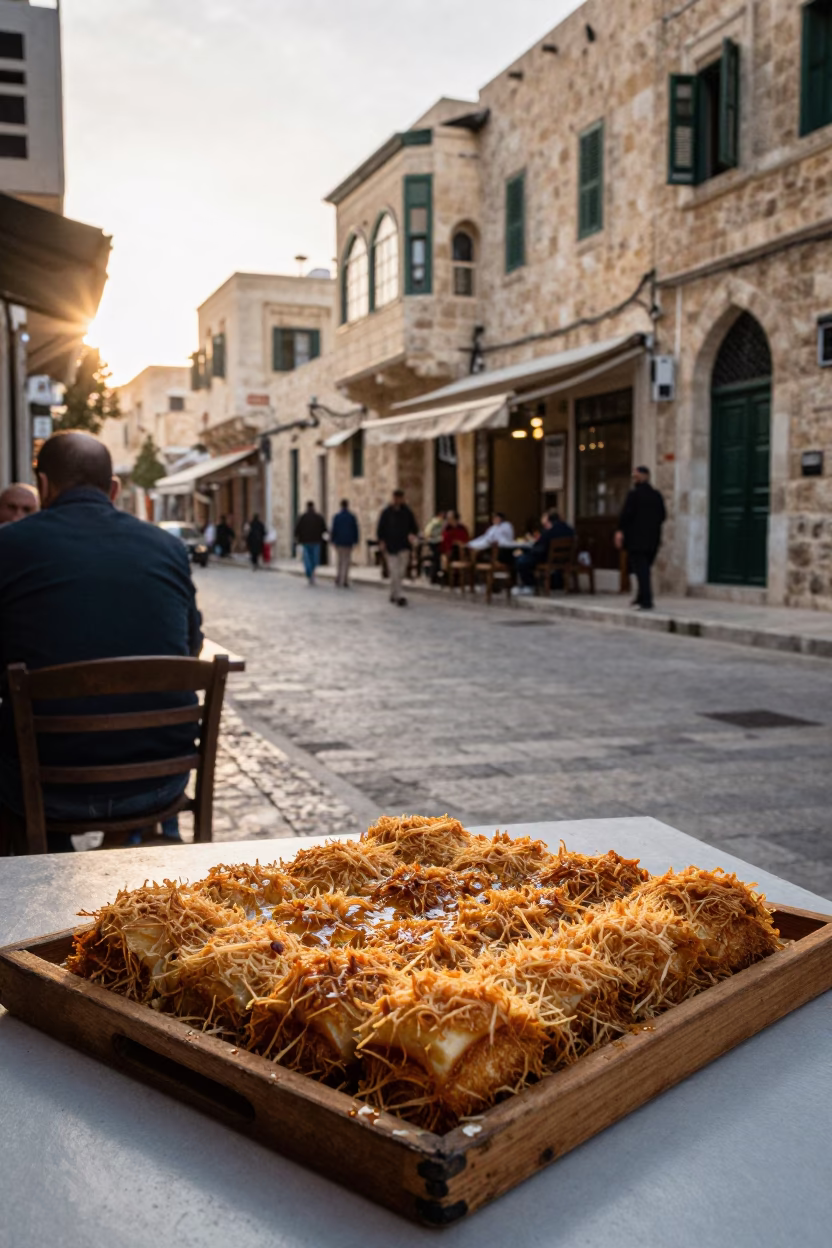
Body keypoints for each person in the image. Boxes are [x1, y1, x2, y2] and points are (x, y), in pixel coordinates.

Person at [0, 430, 203, 852]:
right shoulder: (168, 547)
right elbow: (191, 645)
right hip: (158, 781)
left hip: (44, 789)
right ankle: (113, 849)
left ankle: (42, 876)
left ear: (44, 486)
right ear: (113, 489)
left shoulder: (9, 545)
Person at [615, 465, 667, 610]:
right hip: (653, 539)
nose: (634, 478)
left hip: (637, 540)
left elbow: (626, 515)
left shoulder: (634, 495)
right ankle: (640, 597)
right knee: (644, 569)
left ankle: (647, 601)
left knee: (641, 570)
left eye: (636, 476)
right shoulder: (656, 495)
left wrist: (620, 532)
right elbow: (663, 516)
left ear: (644, 476)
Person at [512, 508, 575, 596]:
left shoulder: (549, 531)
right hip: (564, 559)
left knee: (521, 560)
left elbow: (541, 547)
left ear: (548, 519)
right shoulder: (569, 529)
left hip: (548, 558)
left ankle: (529, 585)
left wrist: (526, 551)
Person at [377, 488, 418, 606]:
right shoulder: (386, 512)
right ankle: (399, 595)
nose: (398, 500)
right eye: (396, 498)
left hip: (404, 546)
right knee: (394, 571)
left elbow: (414, 527)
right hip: (390, 546)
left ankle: (393, 593)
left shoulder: (407, 512)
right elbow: (381, 528)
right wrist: (381, 541)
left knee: (400, 572)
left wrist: (412, 535)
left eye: (400, 498)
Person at [295, 500, 327, 585]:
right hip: (316, 541)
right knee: (314, 558)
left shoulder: (302, 517)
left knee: (307, 558)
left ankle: (309, 573)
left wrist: (297, 539)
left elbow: (297, 529)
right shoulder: (319, 517)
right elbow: (324, 529)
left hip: (305, 541)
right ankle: (312, 572)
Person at [330, 499, 359, 588]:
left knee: (340, 561)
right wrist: (356, 540)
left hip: (339, 542)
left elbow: (333, 529)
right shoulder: (352, 517)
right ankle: (345, 579)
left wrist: (332, 540)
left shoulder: (336, 517)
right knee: (346, 561)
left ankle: (339, 578)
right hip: (348, 542)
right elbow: (355, 529)